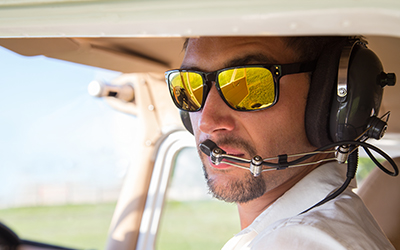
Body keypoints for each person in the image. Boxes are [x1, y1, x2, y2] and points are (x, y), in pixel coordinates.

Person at [165, 36, 395, 249]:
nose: (207, 122)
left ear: (328, 100)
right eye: (189, 86)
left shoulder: (305, 242)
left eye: (251, 85)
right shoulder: (277, 235)